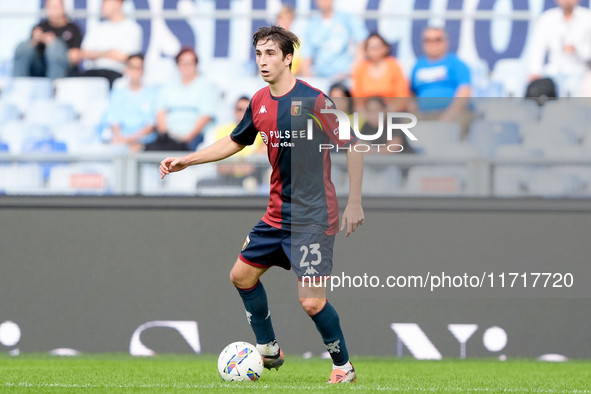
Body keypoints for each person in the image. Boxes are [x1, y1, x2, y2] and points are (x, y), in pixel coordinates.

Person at [159, 26, 364, 384]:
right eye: (258, 54)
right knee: (241, 275)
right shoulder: (259, 101)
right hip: (276, 214)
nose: (263, 61)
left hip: (313, 218)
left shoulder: (315, 101)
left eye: (271, 54)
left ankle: (343, 367)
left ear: (288, 58)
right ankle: (268, 348)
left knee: (312, 303)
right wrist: (188, 160)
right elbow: (236, 141)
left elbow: (353, 144)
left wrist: (355, 201)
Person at [146, 48, 217, 152]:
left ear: (196, 64)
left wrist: (186, 138)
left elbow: (206, 116)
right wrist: (165, 135)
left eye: (190, 63)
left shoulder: (206, 86)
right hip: (169, 137)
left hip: (195, 137)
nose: (186, 66)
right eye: (183, 63)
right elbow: (160, 112)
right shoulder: (168, 85)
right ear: (177, 65)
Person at [409, 27, 472, 137]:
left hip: (453, 113)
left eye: (437, 39)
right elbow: (411, 94)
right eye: (428, 40)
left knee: (457, 124)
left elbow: (464, 92)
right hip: (424, 115)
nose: (433, 43)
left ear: (446, 42)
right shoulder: (418, 66)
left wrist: (449, 115)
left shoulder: (456, 64)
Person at [529, 0, 591, 97]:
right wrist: (535, 71)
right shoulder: (547, 18)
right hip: (553, 72)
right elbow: (537, 48)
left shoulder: (588, 18)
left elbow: (588, 54)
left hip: (580, 72)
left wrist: (576, 50)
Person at [79, 0, 142, 88]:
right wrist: (110, 53)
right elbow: (84, 52)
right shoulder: (98, 28)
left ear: (118, 3)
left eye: (106, 2)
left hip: (117, 74)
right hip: (93, 72)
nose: (102, 6)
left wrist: (97, 54)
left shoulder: (132, 29)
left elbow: (125, 56)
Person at [13, 0, 82, 79]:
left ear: (63, 8)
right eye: (51, 7)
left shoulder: (73, 29)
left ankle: (55, 86)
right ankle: (19, 85)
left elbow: (75, 58)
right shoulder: (40, 27)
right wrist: (34, 41)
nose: (54, 10)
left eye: (56, 7)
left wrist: (52, 42)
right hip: (40, 67)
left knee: (55, 47)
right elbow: (29, 53)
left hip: (63, 69)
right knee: (23, 47)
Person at [102, 54, 158, 151]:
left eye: (139, 67)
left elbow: (150, 125)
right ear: (126, 69)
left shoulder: (153, 94)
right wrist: (121, 139)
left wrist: (130, 140)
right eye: (132, 67)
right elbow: (114, 121)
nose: (136, 71)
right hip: (121, 142)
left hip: (145, 142)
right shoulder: (117, 94)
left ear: (143, 70)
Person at [299, 0, 368, 79]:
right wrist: (309, 81)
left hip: (344, 76)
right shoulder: (311, 23)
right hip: (320, 76)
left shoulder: (346, 18)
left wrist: (354, 70)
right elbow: (306, 55)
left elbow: (362, 41)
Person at [351, 33, 409, 112]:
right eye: (372, 47)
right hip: (367, 116)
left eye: (378, 46)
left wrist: (386, 112)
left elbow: (402, 95)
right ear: (366, 50)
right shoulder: (361, 69)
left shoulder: (394, 66)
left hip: (391, 114)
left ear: (386, 48)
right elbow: (357, 98)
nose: (375, 50)